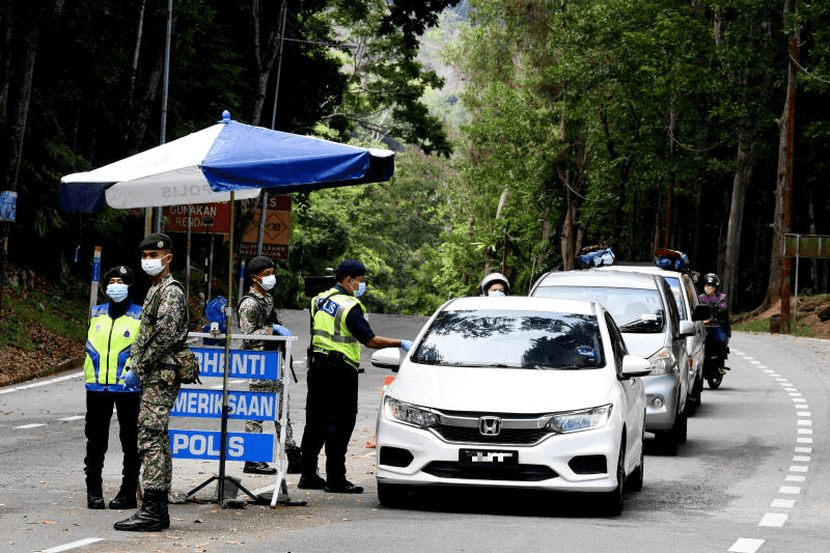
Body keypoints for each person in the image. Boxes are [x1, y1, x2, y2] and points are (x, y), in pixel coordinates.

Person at [299, 259, 412, 494]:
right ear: (348, 280)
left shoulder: (318, 300)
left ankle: (308, 475)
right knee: (340, 425)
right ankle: (336, 479)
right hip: (340, 371)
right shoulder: (349, 306)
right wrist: (400, 342)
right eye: (360, 281)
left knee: (315, 423)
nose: (362, 286)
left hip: (317, 367)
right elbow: (369, 340)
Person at [114, 233, 188, 532]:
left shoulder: (170, 291)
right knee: (156, 439)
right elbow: (146, 333)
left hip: (161, 372)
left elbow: (165, 334)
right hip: (154, 372)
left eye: (152, 256)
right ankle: (157, 509)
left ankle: (153, 510)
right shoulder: (155, 289)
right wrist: (134, 364)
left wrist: (140, 365)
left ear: (167, 257)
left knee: (150, 439)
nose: (147, 261)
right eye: (143, 257)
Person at [83, 265, 142, 510]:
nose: (114, 285)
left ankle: (127, 492)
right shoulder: (96, 313)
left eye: (120, 281)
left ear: (129, 286)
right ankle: (93, 492)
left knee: (130, 441)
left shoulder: (139, 315)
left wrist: (135, 374)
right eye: (112, 281)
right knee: (96, 441)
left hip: (128, 387)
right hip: (97, 386)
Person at [237, 255, 301, 475]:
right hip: (259, 363)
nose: (271, 278)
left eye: (272, 273)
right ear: (255, 278)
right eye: (266, 274)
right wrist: (272, 331)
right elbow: (247, 335)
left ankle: (292, 454)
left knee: (282, 410)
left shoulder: (267, 299)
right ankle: (252, 457)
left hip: (273, 362)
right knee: (257, 409)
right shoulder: (249, 303)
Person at [698, 272, 730, 360]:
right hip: (703, 327)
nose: (709, 288)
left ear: (715, 287)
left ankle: (720, 362)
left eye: (711, 286)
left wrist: (714, 313)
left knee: (721, 340)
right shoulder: (700, 298)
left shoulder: (722, 297)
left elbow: (723, 308)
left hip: (718, 326)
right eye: (707, 285)